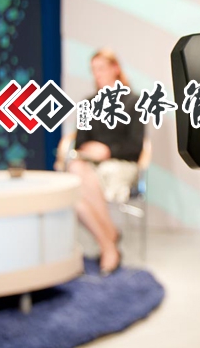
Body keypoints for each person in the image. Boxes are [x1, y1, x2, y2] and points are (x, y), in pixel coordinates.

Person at [64, 49, 144, 275]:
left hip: (122, 164)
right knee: (76, 170)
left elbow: (136, 148)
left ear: (115, 68)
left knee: (77, 193)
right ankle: (110, 239)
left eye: (101, 68)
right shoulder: (86, 104)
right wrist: (91, 150)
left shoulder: (134, 102)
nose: (97, 74)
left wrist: (108, 151)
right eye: (93, 70)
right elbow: (80, 143)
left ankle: (108, 246)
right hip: (90, 166)